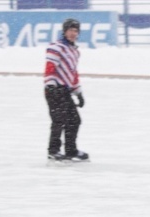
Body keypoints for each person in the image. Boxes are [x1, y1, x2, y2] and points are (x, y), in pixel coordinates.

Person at [44, 18, 88, 162]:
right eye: (70, 30)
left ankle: (70, 150)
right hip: (54, 89)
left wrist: (78, 92)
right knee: (59, 120)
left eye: (76, 31)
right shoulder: (56, 47)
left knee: (74, 120)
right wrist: (51, 85)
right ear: (64, 31)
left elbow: (73, 74)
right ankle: (53, 150)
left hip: (65, 90)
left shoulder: (74, 52)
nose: (73, 33)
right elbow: (50, 67)